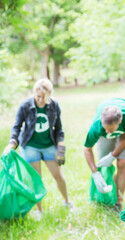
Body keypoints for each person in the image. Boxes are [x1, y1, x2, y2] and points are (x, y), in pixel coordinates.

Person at [4, 78, 72, 220]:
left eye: (44, 97)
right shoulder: (25, 106)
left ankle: (67, 202)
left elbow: (59, 128)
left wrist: (60, 143)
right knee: (36, 180)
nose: (40, 100)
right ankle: (39, 211)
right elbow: (16, 126)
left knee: (58, 175)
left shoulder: (54, 106)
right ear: (34, 93)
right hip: (30, 146)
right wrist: (12, 143)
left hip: (48, 145)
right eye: (38, 96)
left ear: (49, 95)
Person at [84, 98, 125, 210]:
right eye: (105, 128)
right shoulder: (97, 126)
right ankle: (110, 195)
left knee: (121, 163)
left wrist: (113, 155)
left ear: (120, 121)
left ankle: (118, 202)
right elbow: (87, 149)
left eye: (111, 129)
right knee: (104, 165)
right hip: (105, 131)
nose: (108, 131)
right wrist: (95, 173)